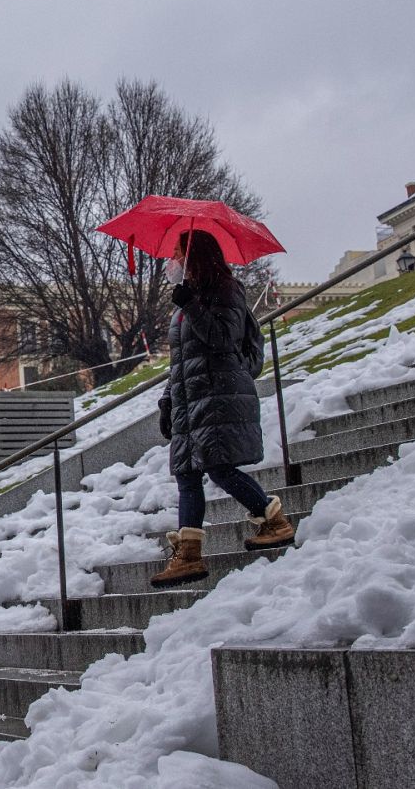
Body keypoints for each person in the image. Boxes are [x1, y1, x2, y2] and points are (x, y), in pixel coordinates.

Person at [152, 231, 295, 588]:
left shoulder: (227, 290)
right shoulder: (186, 302)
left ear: (194, 256)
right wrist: (168, 399)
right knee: (187, 474)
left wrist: (191, 305)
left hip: (217, 397)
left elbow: (222, 338)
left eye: (177, 253)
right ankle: (188, 556)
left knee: (218, 467)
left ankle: (274, 520)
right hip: (191, 400)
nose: (172, 261)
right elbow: (182, 360)